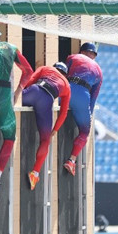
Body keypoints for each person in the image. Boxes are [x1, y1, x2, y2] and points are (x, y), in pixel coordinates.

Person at [0, 24, 33, 197]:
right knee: (10, 137)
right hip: (3, 95)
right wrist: (18, 91)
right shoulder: (10, 47)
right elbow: (28, 71)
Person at [22, 61, 71, 190]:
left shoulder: (46, 68)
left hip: (35, 90)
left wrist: (22, 92)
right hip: (47, 101)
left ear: (55, 68)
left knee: (10, 100)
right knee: (45, 140)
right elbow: (64, 112)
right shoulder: (66, 85)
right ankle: (35, 173)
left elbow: (30, 79)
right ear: (65, 74)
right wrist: (55, 129)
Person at [62, 42, 103, 176]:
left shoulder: (73, 57)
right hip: (82, 95)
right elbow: (93, 98)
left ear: (82, 51)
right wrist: (88, 114)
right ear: (94, 55)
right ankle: (71, 161)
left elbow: (62, 73)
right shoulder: (98, 71)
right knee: (85, 131)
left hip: (66, 89)